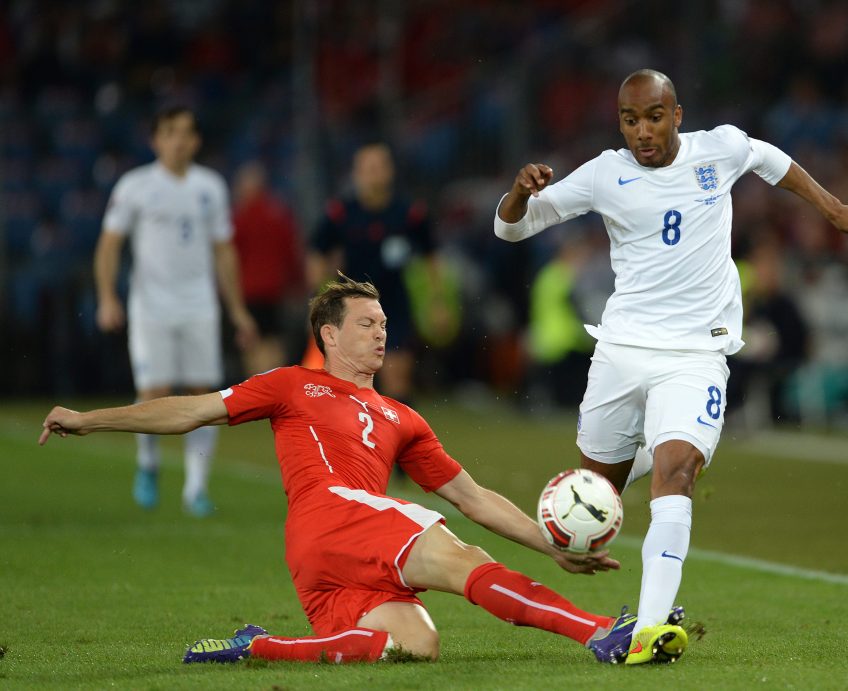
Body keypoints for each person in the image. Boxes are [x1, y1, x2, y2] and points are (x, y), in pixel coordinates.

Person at [39, 276, 668, 666]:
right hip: (331, 512)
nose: (380, 334)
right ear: (329, 336)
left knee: (415, 643)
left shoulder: (402, 417)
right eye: (365, 324)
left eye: (384, 325)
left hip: (333, 550)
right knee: (459, 558)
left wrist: (550, 546)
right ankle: (600, 634)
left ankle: (255, 646)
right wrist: (91, 419)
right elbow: (191, 411)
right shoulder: (292, 385)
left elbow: (472, 496)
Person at [493, 69, 848, 665]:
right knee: (599, 497)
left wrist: (831, 208)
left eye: (653, 117)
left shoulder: (716, 149)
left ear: (677, 114)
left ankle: (652, 627)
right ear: (619, 121)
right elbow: (511, 227)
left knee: (678, 471)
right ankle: (648, 459)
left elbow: (768, 157)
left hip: (697, 353)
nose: (642, 131)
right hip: (621, 351)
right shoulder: (604, 172)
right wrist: (519, 191)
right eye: (629, 119)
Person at [93, 106, 258, 517]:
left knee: (205, 397)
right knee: (154, 391)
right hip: (151, 306)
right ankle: (148, 464)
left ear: (197, 141)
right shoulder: (136, 186)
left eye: (186, 133)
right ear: (156, 140)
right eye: (170, 132)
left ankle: (195, 489)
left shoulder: (211, 187)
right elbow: (110, 244)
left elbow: (224, 251)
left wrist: (237, 310)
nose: (178, 140)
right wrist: (107, 297)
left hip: (199, 305)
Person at [306, 143, 437, 404]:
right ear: (356, 173)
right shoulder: (342, 213)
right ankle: (360, 440)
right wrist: (319, 295)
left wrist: (436, 301)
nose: (373, 174)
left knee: (397, 377)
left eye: (379, 167)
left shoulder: (409, 213)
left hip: (395, 305)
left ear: (389, 171)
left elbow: (431, 257)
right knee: (353, 381)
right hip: (352, 308)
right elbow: (317, 252)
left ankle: (398, 440)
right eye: (368, 168)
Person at [231, 161, 305, 376]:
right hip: (276, 291)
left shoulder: (239, 218)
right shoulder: (280, 214)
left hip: (248, 292)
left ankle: (256, 394)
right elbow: (292, 252)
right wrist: (297, 284)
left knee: (251, 344)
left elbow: (230, 256)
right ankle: (274, 390)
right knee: (274, 342)